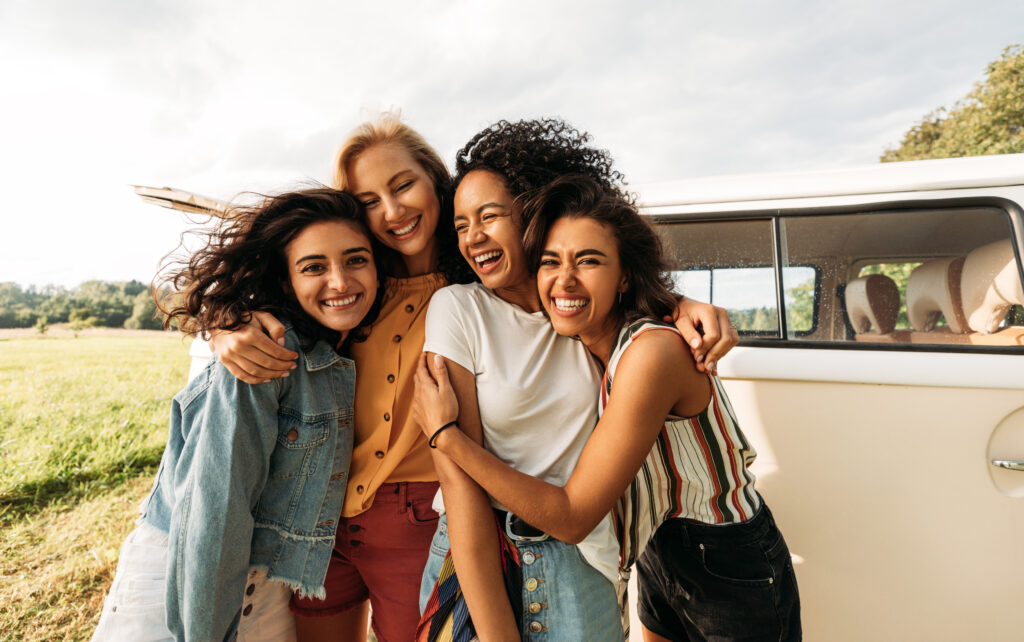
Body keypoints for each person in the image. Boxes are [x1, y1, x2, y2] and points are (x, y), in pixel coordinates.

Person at [210, 114, 737, 642]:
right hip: (328, 514)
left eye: (403, 185)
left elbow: (595, 287)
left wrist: (676, 304)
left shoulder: (499, 290)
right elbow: (287, 293)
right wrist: (222, 324)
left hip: (437, 521)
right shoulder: (361, 281)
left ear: (436, 184)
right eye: (369, 201)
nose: (391, 211)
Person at [416, 175, 801, 641]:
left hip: (724, 555)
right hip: (656, 547)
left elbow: (573, 516)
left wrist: (447, 438)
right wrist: (677, 302)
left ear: (623, 275)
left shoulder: (650, 353)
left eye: (588, 261)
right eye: (550, 262)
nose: (564, 279)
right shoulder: (581, 337)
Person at [92, 188, 385, 642]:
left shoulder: (333, 351)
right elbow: (213, 516)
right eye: (314, 267)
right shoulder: (265, 353)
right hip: (186, 584)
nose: (340, 282)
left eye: (356, 260)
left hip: (264, 586)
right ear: (287, 280)